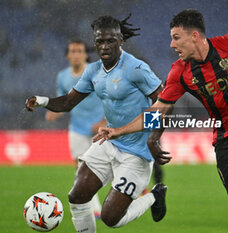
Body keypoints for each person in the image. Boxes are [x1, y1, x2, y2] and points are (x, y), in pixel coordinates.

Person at [94, 9, 228, 233]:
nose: (172, 45)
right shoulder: (180, 73)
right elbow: (158, 111)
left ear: (194, 36)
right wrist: (119, 131)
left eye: (176, 37)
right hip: (223, 136)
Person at [25, 15, 167, 233]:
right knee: (77, 196)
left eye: (110, 40)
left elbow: (164, 105)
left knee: (111, 218)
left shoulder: (136, 68)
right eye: (99, 41)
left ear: (121, 40)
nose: (104, 46)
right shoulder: (93, 71)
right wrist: (42, 101)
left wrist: (154, 139)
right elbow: (68, 102)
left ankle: (154, 195)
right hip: (108, 142)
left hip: (136, 153)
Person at [45, 39, 105, 218]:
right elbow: (65, 102)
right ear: (67, 55)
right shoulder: (63, 77)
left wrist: (105, 121)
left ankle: (134, 192)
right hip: (78, 128)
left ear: (85, 54)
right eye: (73, 51)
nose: (76, 54)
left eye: (80, 51)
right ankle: (94, 208)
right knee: (81, 169)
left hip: (102, 129)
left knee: (107, 168)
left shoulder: (96, 71)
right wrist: (54, 112)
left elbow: (110, 96)